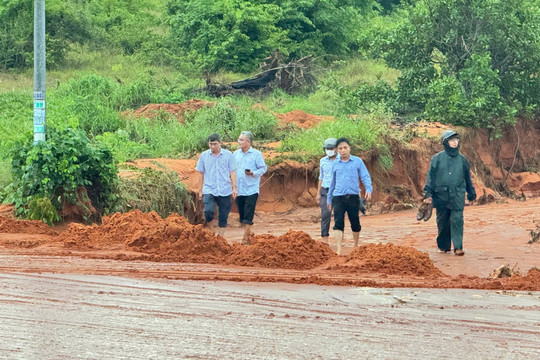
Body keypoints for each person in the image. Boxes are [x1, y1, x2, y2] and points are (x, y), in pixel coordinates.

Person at [423, 130, 476, 256]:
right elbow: (430, 177)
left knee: (457, 220)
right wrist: (428, 195)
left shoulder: (462, 160)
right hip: (441, 196)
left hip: (457, 195)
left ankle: (458, 247)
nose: (455, 142)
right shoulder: (436, 159)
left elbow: (467, 178)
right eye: (452, 140)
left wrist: (471, 193)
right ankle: (444, 247)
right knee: (443, 223)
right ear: (445, 142)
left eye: (456, 140)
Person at [327, 137, 373, 255]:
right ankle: (338, 249)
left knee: (355, 222)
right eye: (340, 148)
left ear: (349, 148)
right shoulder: (335, 164)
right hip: (338, 197)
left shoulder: (357, 161)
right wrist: (329, 198)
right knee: (338, 223)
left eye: (345, 148)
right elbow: (332, 182)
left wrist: (368, 188)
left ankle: (356, 245)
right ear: (337, 150)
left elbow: (365, 176)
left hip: (353, 197)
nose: (343, 150)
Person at [195, 133, 238, 237]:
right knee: (208, 211)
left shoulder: (228, 155)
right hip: (209, 188)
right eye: (210, 144)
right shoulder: (204, 156)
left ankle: (221, 237)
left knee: (223, 215)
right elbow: (200, 173)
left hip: (224, 189)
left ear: (220, 143)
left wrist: (234, 187)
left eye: (215, 144)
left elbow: (232, 172)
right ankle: (210, 231)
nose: (212, 146)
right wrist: (200, 190)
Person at [233, 131, 267, 244]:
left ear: (248, 142)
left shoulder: (256, 154)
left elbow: (263, 168)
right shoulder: (235, 154)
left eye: (241, 140)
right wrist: (233, 186)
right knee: (242, 215)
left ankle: (244, 239)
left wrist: (253, 173)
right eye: (239, 139)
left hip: (251, 188)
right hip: (240, 189)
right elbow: (232, 170)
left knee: (249, 212)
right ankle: (249, 233)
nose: (239, 142)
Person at [316, 138, 338, 244]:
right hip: (325, 190)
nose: (329, 150)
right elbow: (321, 177)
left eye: (331, 148)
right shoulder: (322, 161)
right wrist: (318, 193)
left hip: (338, 191)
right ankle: (325, 240)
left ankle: (339, 237)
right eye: (327, 148)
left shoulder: (342, 160)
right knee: (325, 214)